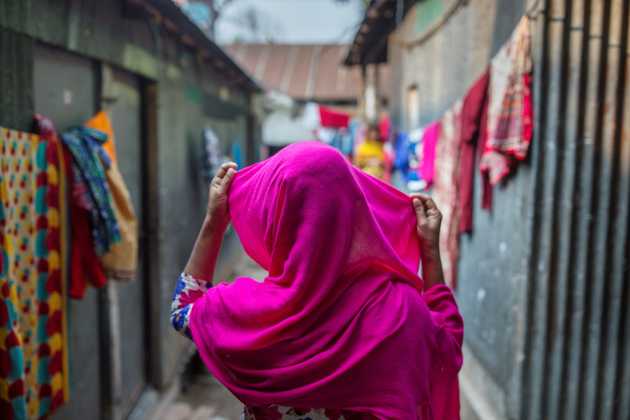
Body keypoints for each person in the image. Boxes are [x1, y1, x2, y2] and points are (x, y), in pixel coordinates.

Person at [171, 142, 463, 419]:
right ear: (354, 206)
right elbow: (446, 346)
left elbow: (183, 310)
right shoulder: (400, 313)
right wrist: (429, 252)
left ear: (274, 218)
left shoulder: (247, 316)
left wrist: (214, 223)